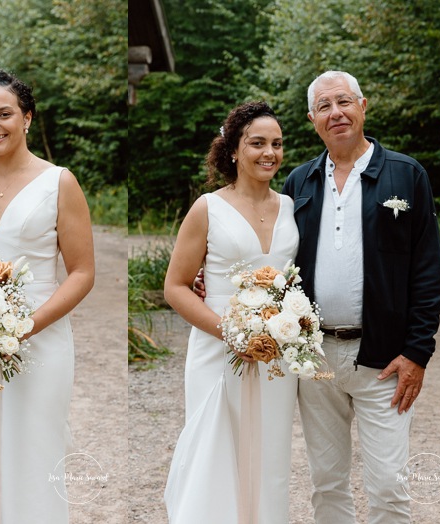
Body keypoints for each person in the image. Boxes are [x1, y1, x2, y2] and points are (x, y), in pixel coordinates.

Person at [282, 71, 440, 523]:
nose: (335, 113)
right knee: (327, 484)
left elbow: (428, 273)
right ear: (312, 119)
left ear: (363, 106)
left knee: (389, 484)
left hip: (385, 362)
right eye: (324, 107)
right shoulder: (299, 182)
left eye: (344, 102)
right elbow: (271, 257)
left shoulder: (406, 174)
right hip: (315, 360)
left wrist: (417, 352)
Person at [0, 68, 95, 523]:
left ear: (27, 117)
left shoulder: (59, 182)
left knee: (34, 447)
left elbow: (83, 272)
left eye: (4, 114)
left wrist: (26, 325)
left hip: (39, 339)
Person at [163, 102, 299, 523]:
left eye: (276, 144)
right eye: (257, 143)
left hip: (277, 351)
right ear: (234, 150)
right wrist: (233, 333)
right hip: (218, 347)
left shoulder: (292, 206)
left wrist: (289, 320)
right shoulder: (208, 207)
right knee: (215, 451)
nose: (269, 153)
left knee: (269, 454)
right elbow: (175, 287)